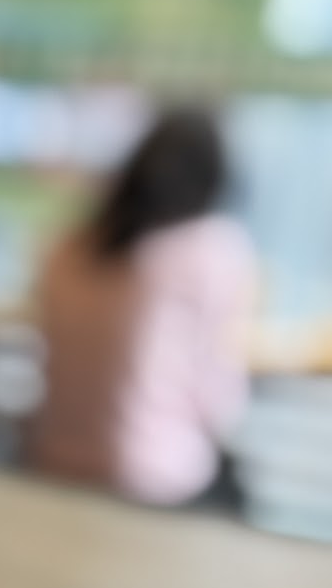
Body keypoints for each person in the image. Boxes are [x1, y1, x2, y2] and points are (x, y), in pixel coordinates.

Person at [28, 108, 257, 507]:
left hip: (51, 455)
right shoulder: (210, 249)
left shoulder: (68, 247)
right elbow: (220, 403)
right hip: (152, 478)